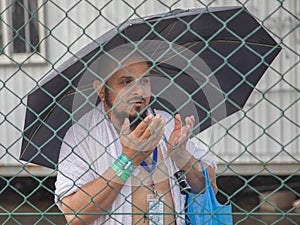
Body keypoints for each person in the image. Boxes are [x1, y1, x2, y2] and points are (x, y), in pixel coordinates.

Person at [55, 49, 217, 225]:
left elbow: (208, 189)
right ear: (101, 89)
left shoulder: (168, 123)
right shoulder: (82, 135)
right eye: (126, 82)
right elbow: (73, 214)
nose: (139, 90)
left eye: (145, 81)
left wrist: (182, 157)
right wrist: (128, 160)